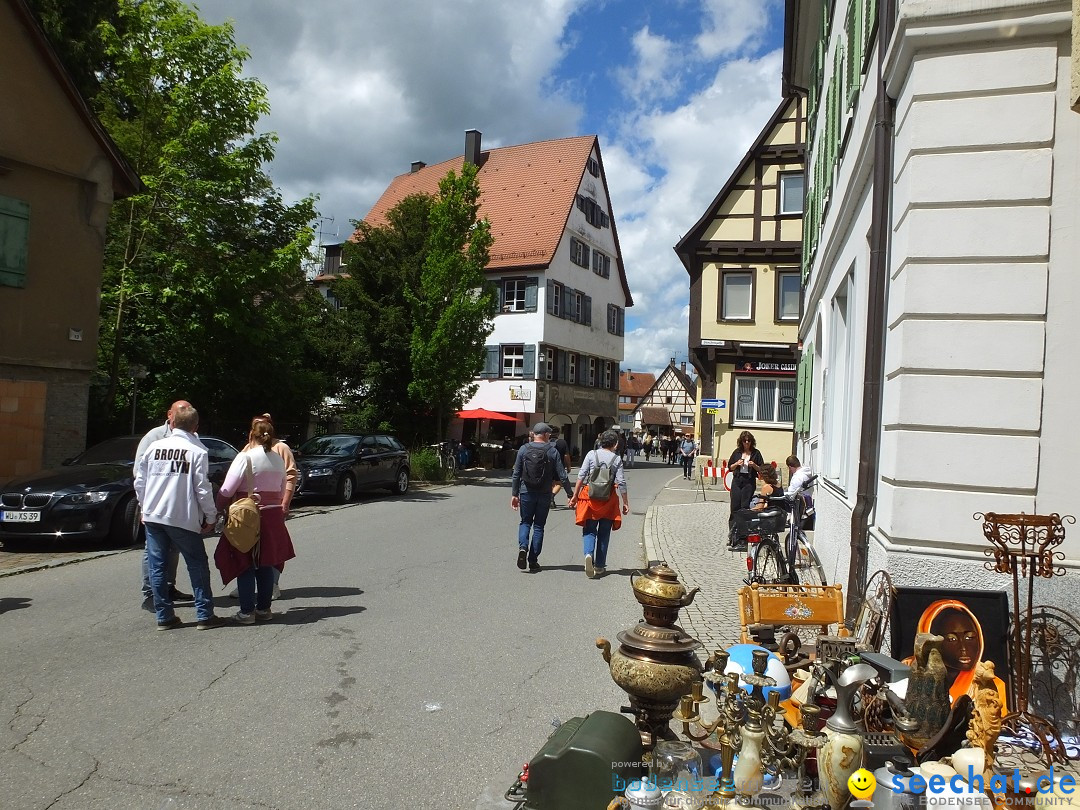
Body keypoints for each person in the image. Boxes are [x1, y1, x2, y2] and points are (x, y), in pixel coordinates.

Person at [133, 404, 224, 630]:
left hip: (154, 515)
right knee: (197, 563)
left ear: (172, 423)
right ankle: (204, 615)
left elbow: (140, 481)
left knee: (157, 565)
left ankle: (164, 616)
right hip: (181, 515)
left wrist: (144, 507)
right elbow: (202, 488)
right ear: (196, 426)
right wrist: (211, 516)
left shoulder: (154, 447)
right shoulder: (197, 451)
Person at [214, 417, 296, 623]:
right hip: (273, 516)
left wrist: (216, 508)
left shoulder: (245, 457)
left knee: (245, 563)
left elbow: (226, 489)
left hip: (249, 516)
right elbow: (280, 490)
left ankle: (247, 611)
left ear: (252, 434)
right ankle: (264, 609)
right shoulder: (278, 459)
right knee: (266, 563)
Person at [135, 399, 195, 608]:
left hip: (177, 507)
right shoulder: (154, 437)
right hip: (155, 505)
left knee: (173, 549)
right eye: (181, 410)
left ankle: (168, 587)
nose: (184, 413)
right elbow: (139, 472)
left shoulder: (192, 437)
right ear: (169, 414)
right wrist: (144, 505)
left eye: (187, 410)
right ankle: (150, 593)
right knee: (152, 551)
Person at [912, 600, 1008, 712]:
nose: (963, 647)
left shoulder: (992, 686)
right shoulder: (909, 672)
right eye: (952, 639)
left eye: (970, 637)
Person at [510, 422, 573, 572]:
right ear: (544, 435)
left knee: (525, 522)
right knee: (538, 526)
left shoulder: (524, 449)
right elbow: (562, 476)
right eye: (548, 434)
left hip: (526, 491)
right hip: (544, 493)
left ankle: (523, 548)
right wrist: (571, 494)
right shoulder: (552, 451)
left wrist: (514, 494)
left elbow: (516, 473)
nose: (550, 436)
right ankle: (533, 560)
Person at [568, 430, 629, 578]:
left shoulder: (591, 454)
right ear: (615, 444)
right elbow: (621, 482)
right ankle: (600, 566)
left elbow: (581, 476)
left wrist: (575, 495)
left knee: (589, 530)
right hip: (608, 498)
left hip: (590, 496)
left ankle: (588, 554)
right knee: (604, 533)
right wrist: (625, 502)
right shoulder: (616, 459)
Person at [727, 431, 765, 542]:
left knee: (744, 507)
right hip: (737, 481)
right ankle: (732, 535)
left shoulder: (756, 453)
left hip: (749, 481)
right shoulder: (737, 452)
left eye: (749, 441)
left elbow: (761, 469)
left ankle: (743, 536)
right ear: (741, 442)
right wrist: (737, 464)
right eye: (744, 441)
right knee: (734, 507)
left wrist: (754, 465)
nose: (747, 443)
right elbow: (730, 467)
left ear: (752, 441)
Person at [549, 427, 572, 508]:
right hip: (559, 466)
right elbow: (566, 455)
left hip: (547, 466)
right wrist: (569, 466)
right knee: (559, 483)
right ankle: (551, 497)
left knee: (551, 483)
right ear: (558, 433)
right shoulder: (562, 442)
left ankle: (550, 499)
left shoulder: (546, 442)